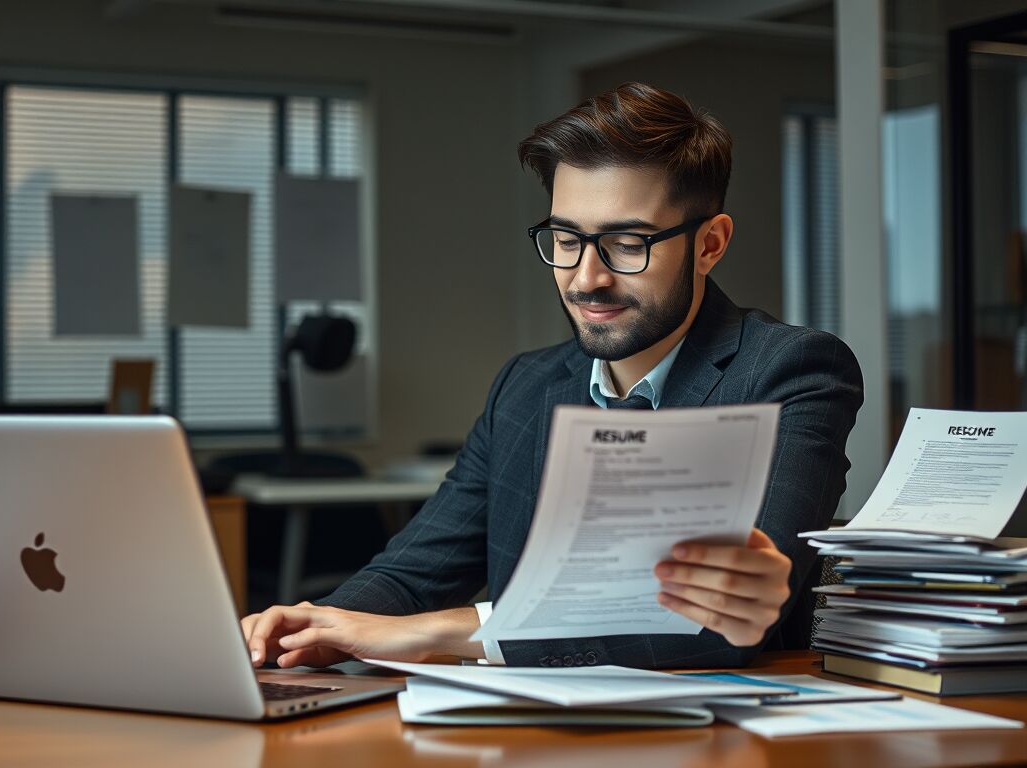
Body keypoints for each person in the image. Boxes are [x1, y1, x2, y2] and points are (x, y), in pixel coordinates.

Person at [243, 82, 863, 669]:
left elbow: (727, 623)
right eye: (566, 238)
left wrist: (441, 630)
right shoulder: (526, 386)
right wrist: (313, 626)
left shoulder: (791, 372)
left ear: (708, 245)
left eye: (626, 243)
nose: (587, 277)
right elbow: (413, 572)